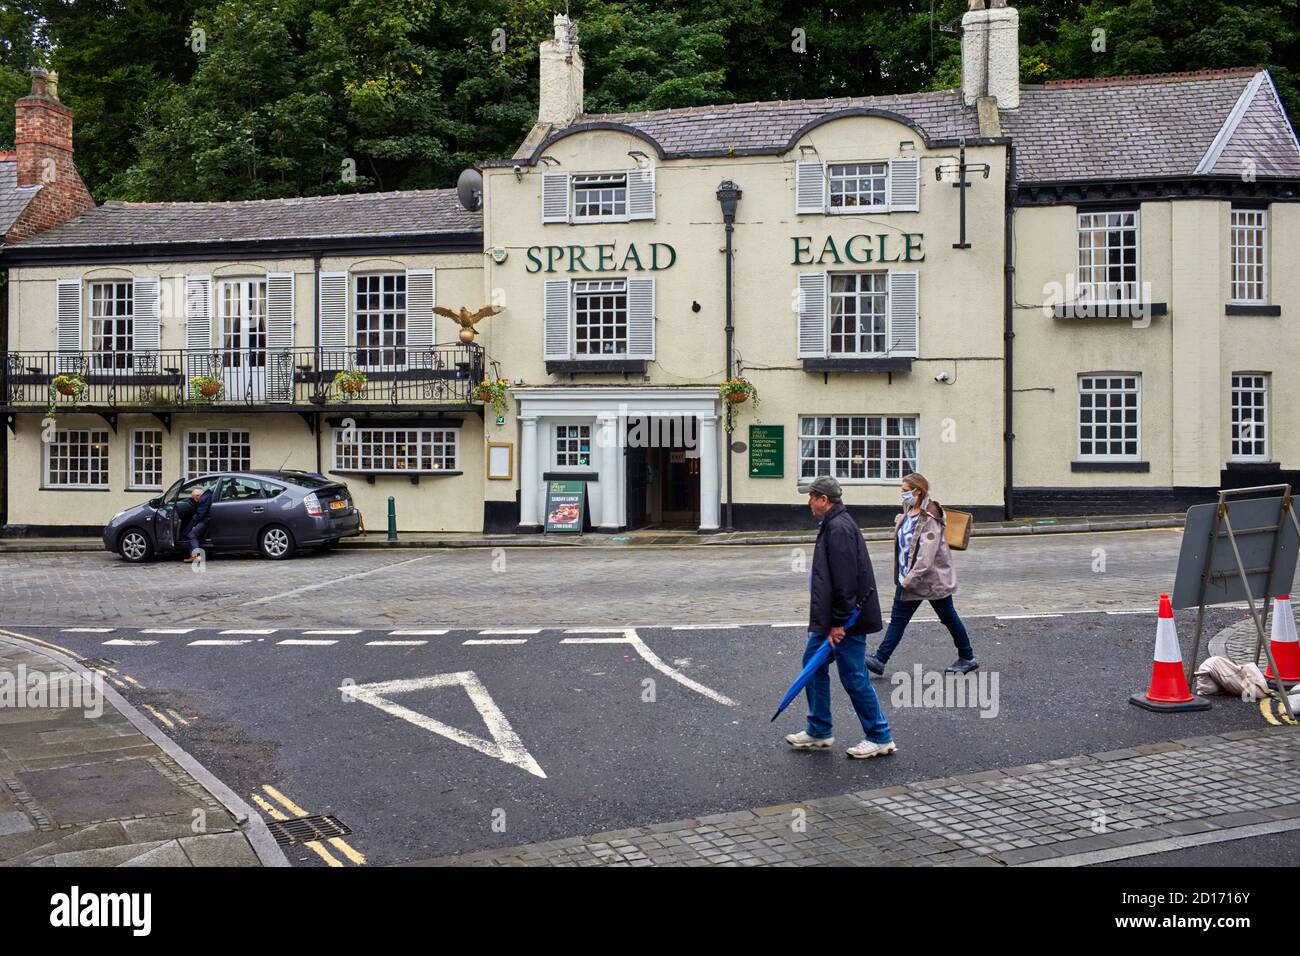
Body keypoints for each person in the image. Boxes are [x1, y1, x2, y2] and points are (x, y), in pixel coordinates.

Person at [785, 475, 896, 760]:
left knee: (854, 676)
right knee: (812, 667)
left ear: (824, 499)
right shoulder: (833, 525)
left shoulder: (839, 529)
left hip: (846, 622)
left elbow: (846, 582)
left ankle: (879, 736)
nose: (809, 502)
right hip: (832, 621)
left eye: (812, 497)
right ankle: (819, 729)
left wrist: (838, 623)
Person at [868, 472, 977, 676]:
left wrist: (909, 579)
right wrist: (901, 522)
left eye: (905, 491)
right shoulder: (909, 510)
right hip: (910, 578)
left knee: (949, 618)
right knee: (899, 619)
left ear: (918, 491)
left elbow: (926, 556)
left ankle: (968, 657)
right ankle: (880, 659)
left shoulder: (930, 517)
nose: (902, 494)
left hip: (929, 580)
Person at [178, 485, 213, 563]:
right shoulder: (207, 495)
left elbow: (200, 515)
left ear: (198, 496)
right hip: (206, 519)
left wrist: (192, 525)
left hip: (206, 520)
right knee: (191, 534)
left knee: (191, 535)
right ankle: (193, 555)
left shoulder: (203, 499)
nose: (195, 500)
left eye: (194, 498)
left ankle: (196, 556)